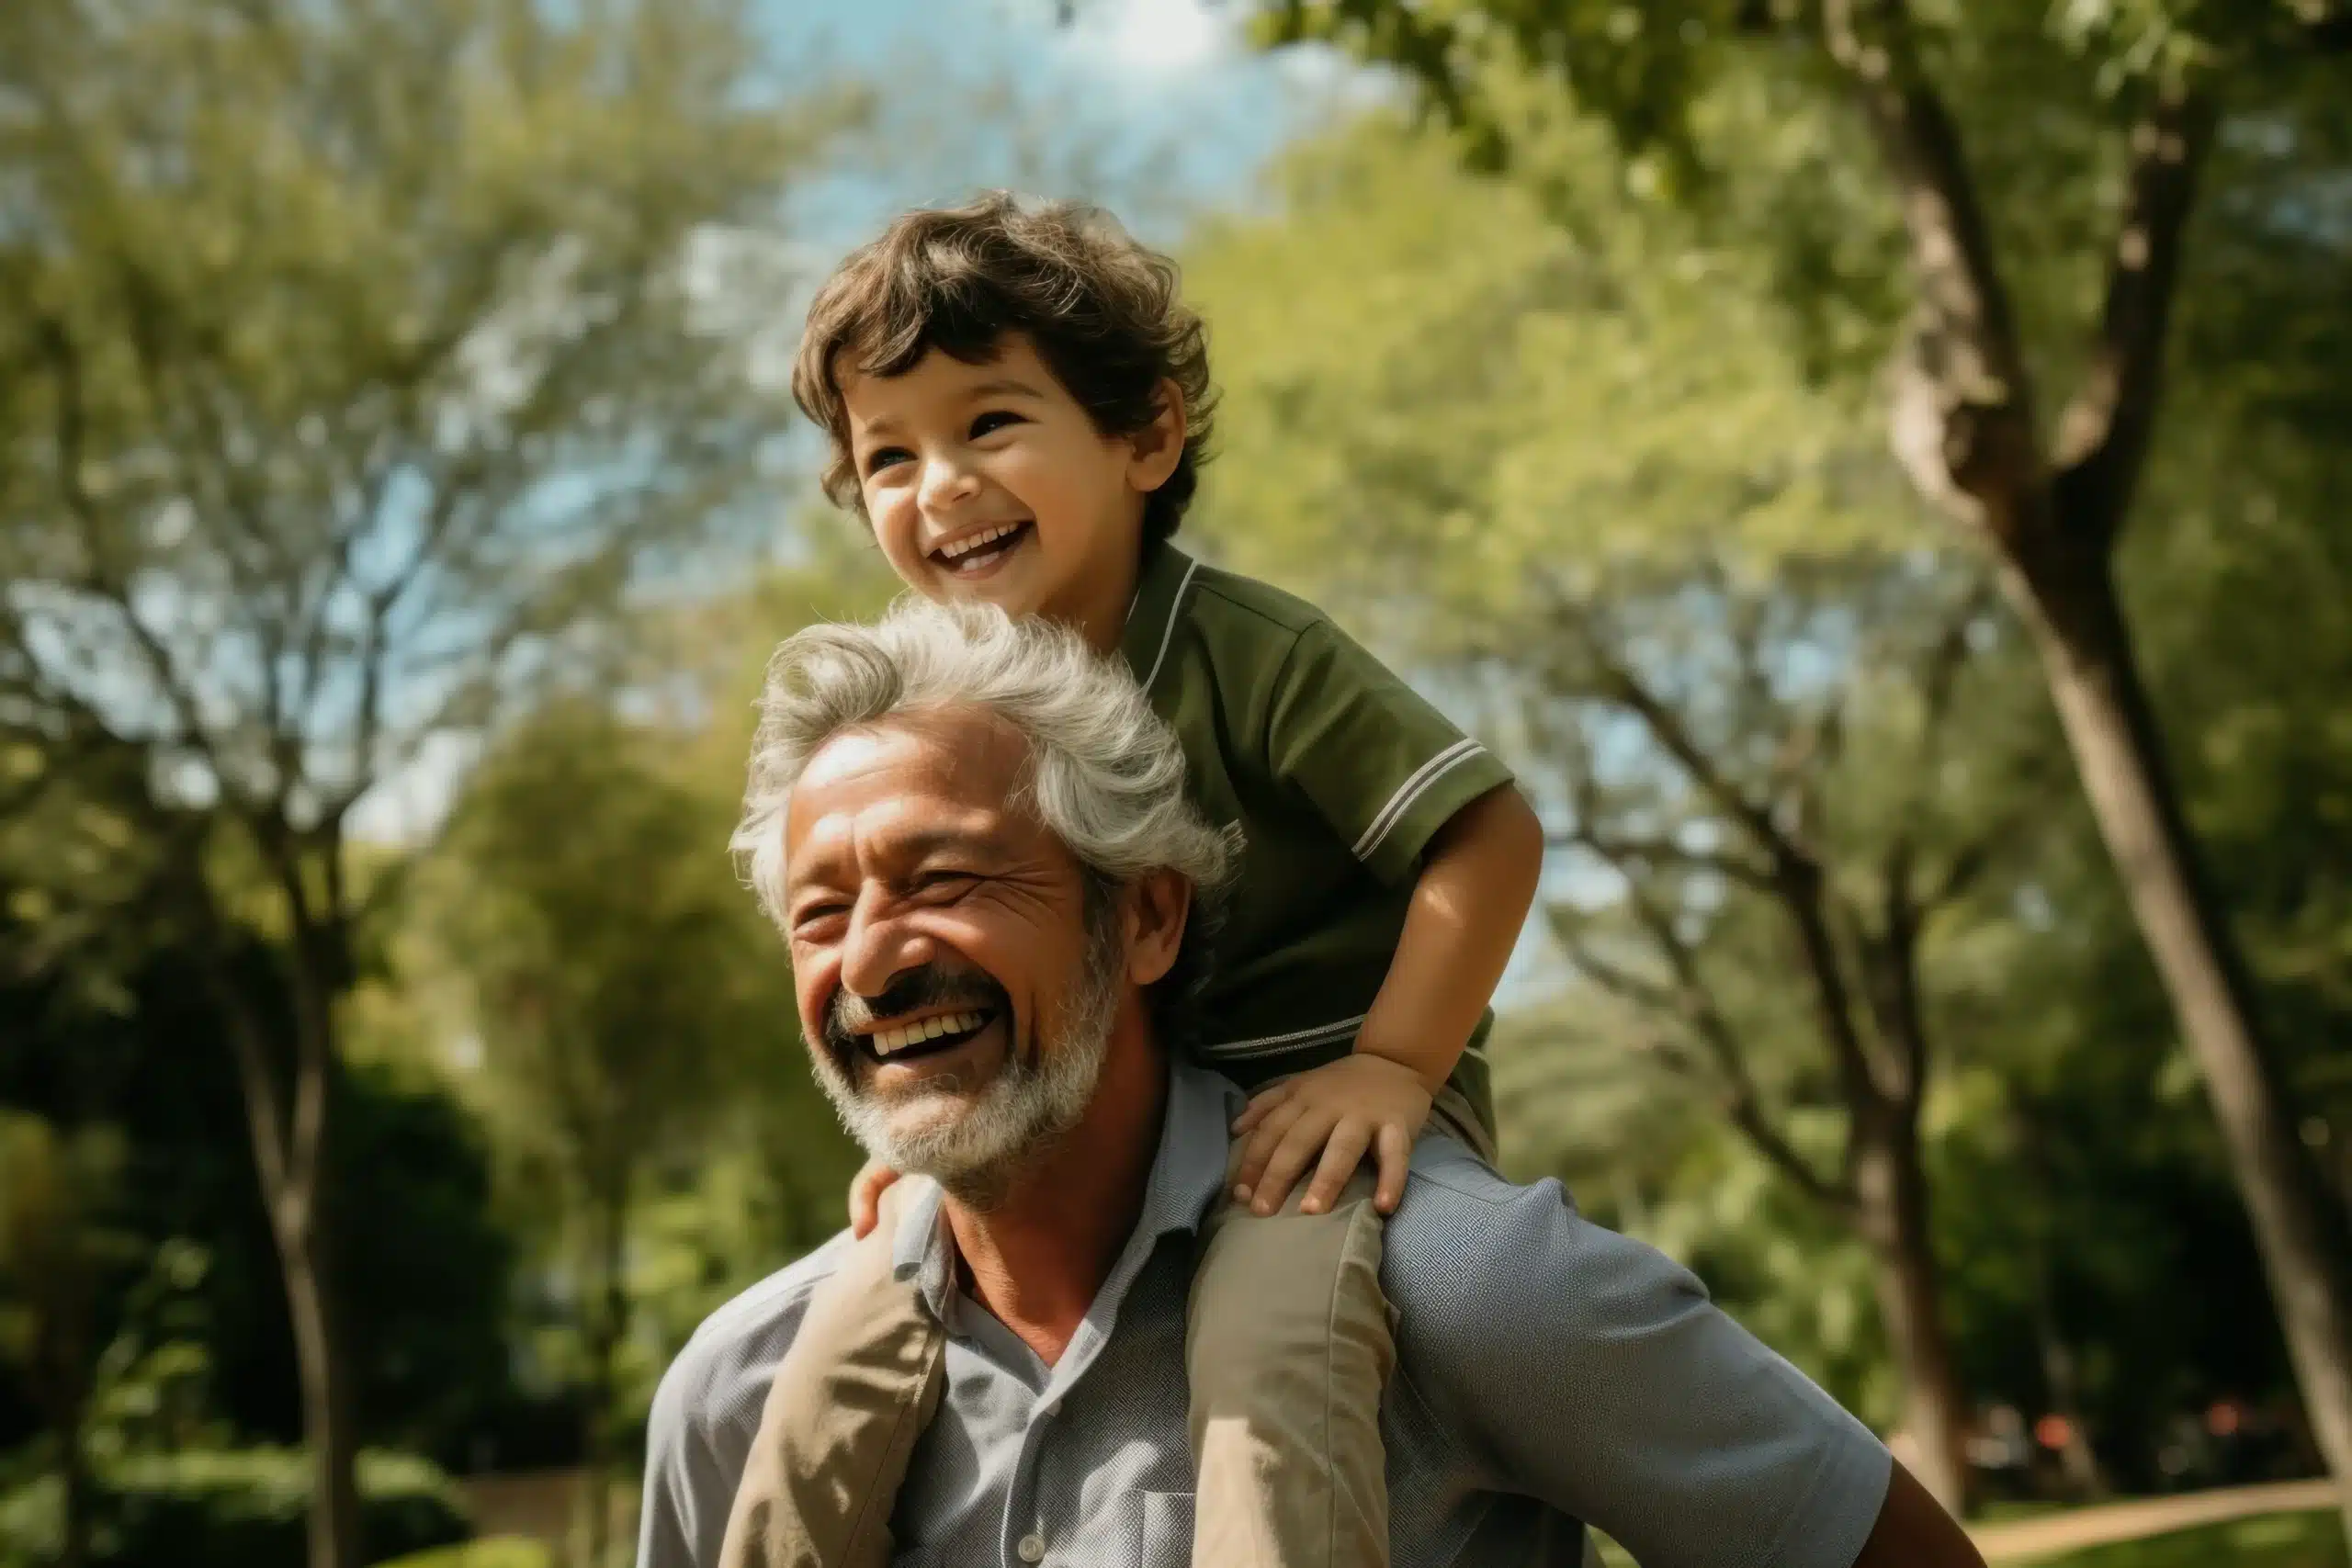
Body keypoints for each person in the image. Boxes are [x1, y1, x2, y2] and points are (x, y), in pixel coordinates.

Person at [639, 601, 1985, 1568]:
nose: (871, 961)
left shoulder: (1469, 1289)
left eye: (948, 879)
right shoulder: (741, 1395)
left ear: (1150, 917)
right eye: (818, 915)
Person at [718, 192, 1546, 1568]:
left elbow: (1488, 831)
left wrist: (1394, 1069)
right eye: (889, 457)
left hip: (1311, 1116)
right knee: (830, 1369)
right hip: (1108, 1127)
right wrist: (923, 1138)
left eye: (989, 423)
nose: (941, 486)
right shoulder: (940, 717)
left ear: (1146, 436)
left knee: (1270, 1347)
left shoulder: (1249, 652)